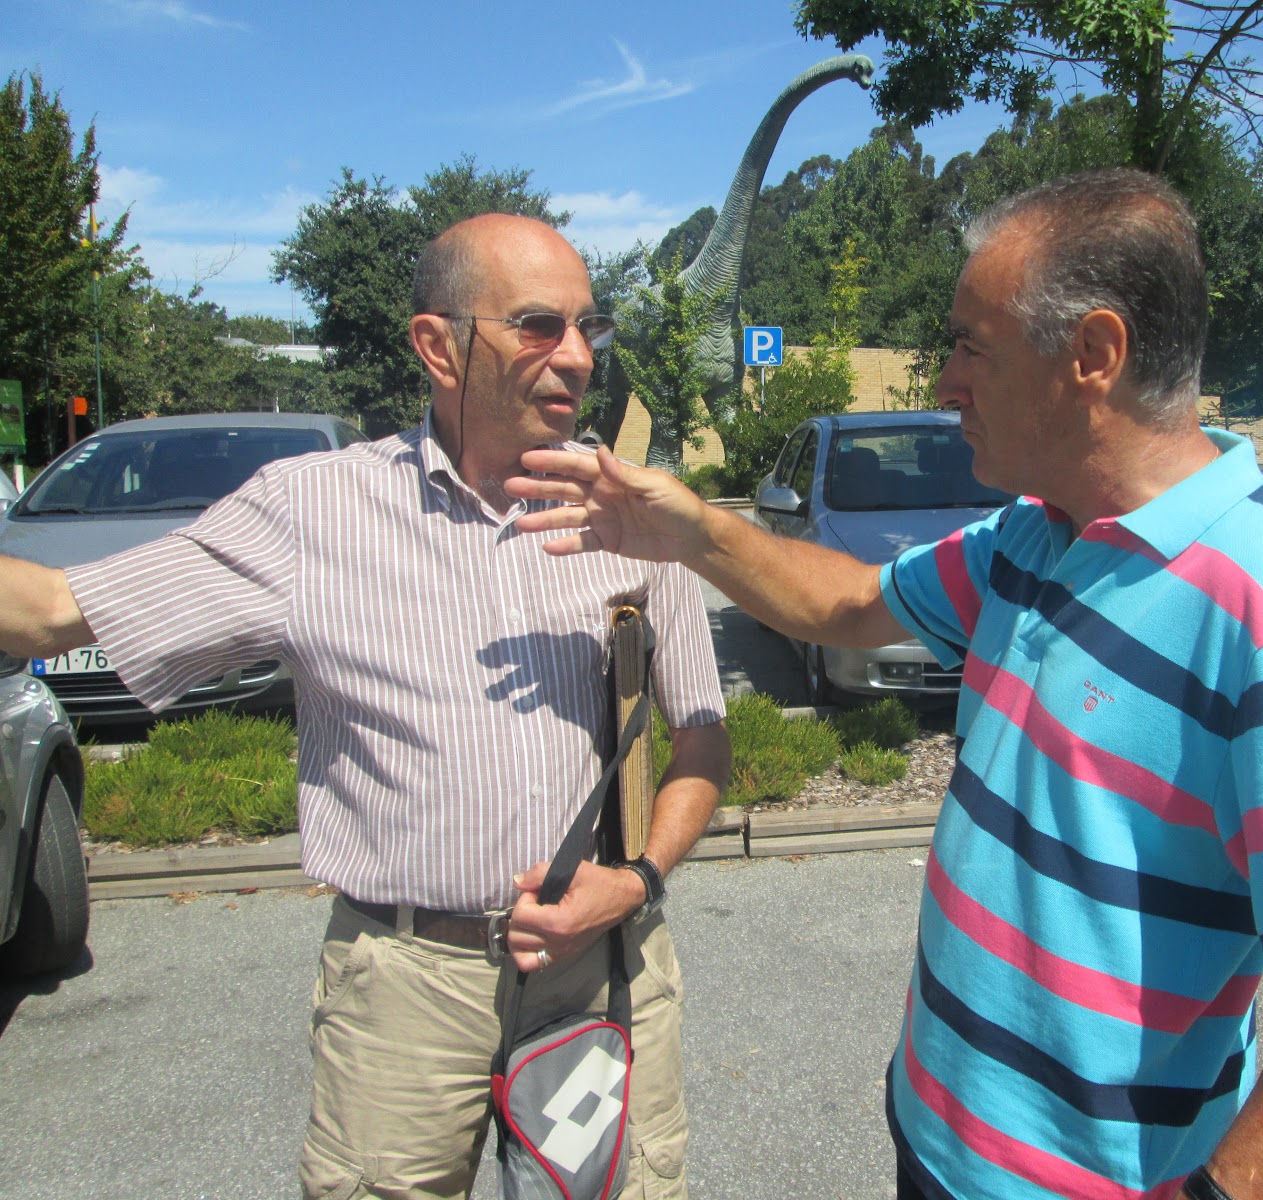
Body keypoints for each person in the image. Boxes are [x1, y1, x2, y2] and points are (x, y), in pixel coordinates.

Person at [505, 170, 1263, 1200]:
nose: (945, 383)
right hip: (936, 1134)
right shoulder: (1033, 534)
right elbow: (852, 604)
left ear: (1092, 355)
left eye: (970, 346)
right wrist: (688, 529)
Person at [0, 214, 730, 1200]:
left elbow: (701, 741)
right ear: (438, 344)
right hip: (403, 989)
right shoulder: (313, 513)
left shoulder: (636, 513)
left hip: (604, 968)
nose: (577, 356)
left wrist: (637, 880)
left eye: (587, 327)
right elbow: (55, 611)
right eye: (537, 326)